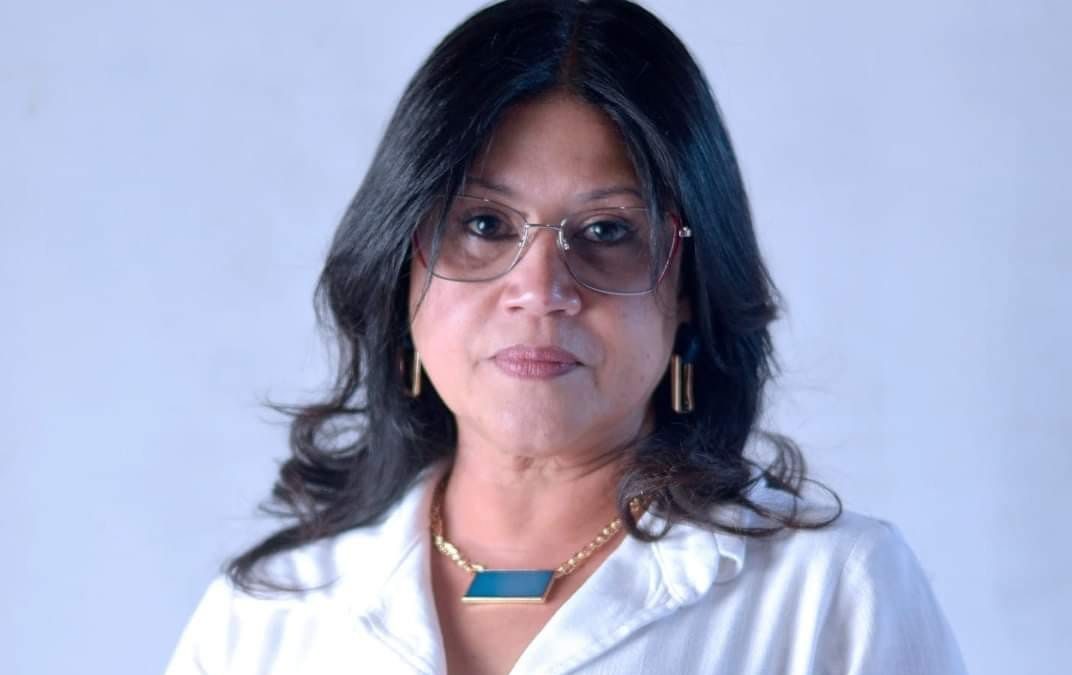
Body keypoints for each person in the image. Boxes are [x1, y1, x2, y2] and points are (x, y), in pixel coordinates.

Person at [164, 1, 967, 673]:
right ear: (400, 266)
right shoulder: (264, 621)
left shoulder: (831, 595)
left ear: (690, 288)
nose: (542, 291)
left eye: (608, 230)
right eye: (484, 224)